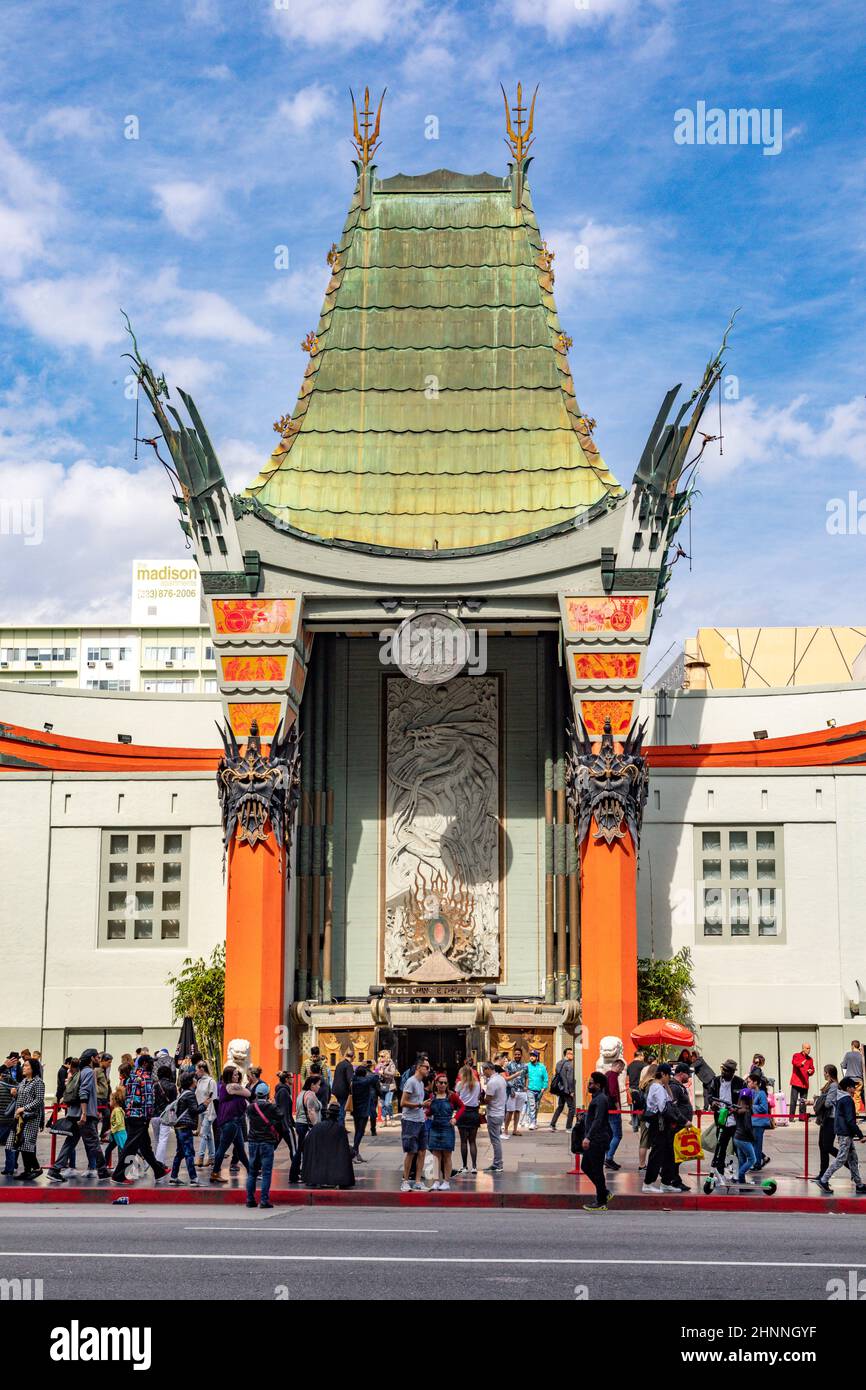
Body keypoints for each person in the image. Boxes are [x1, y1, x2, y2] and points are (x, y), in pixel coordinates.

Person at [47, 1047, 110, 1183]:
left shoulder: (79, 1072)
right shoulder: (89, 1072)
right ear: (92, 1058)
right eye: (97, 1057)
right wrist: (85, 1113)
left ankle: (55, 1170)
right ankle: (103, 1171)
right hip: (84, 1115)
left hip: (74, 1113)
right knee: (94, 1143)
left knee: (70, 1142)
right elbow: (83, 1093)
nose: (99, 1059)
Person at [111, 1055, 169, 1185]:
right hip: (140, 1116)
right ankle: (118, 1176)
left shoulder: (132, 1077)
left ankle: (159, 1171)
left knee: (145, 1147)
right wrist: (148, 1117)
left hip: (132, 1115)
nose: (153, 1065)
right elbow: (148, 1101)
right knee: (130, 1147)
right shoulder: (146, 1078)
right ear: (144, 1063)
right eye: (150, 1063)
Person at [814, 1077, 866, 1194]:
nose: (855, 1090)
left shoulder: (840, 1098)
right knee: (841, 1159)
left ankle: (859, 1184)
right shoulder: (847, 1100)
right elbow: (850, 1120)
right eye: (853, 1087)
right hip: (845, 1133)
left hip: (845, 1133)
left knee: (853, 1159)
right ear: (848, 1088)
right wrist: (860, 1135)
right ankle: (824, 1180)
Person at [425, 1072, 465, 1191]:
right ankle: (436, 1181)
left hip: (447, 1127)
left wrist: (455, 1118)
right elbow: (430, 1112)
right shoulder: (432, 1096)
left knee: (447, 1155)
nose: (442, 1084)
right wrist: (425, 1112)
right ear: (436, 1083)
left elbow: (462, 1107)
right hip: (435, 1126)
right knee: (436, 1156)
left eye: (445, 1083)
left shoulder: (452, 1096)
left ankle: (446, 1181)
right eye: (440, 1082)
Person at [245, 1081, 283, 1208]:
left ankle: (250, 1199)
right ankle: (264, 1200)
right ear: (267, 1094)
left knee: (252, 1172)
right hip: (267, 1142)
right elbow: (280, 1116)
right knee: (266, 1172)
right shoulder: (271, 1107)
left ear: (256, 1094)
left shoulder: (251, 1107)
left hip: (253, 1141)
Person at [209, 1066, 250, 1183]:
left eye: (237, 1074)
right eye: (234, 1075)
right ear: (228, 1076)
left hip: (234, 1122)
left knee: (240, 1149)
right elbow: (248, 1093)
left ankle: (251, 1171)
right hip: (229, 1122)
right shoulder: (228, 1086)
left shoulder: (232, 1088)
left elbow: (247, 1093)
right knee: (222, 1149)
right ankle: (215, 1172)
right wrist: (242, 1090)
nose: (237, 1077)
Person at [5, 1058, 44, 1180]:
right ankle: (28, 1170)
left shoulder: (38, 1082)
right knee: (16, 1143)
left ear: (33, 1068)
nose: (24, 1067)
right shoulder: (23, 1082)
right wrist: (15, 1094)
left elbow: (39, 1100)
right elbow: (20, 1098)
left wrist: (24, 1108)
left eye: (26, 1065)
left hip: (30, 1119)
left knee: (26, 1144)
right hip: (20, 1119)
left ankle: (36, 1169)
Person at [302, 1100, 355, 1189]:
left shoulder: (317, 1127)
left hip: (318, 1166)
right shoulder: (340, 1129)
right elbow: (344, 1150)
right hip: (333, 1164)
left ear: (327, 1114)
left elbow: (306, 1145)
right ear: (337, 1116)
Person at [705, 1058, 745, 1175]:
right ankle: (719, 1172)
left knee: (739, 1149)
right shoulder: (716, 1081)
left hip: (736, 1121)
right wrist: (712, 1103)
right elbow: (710, 1095)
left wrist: (737, 1108)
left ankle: (740, 1174)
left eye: (727, 1071)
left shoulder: (740, 1082)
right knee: (720, 1148)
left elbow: (745, 1101)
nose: (724, 1072)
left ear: (733, 1072)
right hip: (721, 1120)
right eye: (723, 1069)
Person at [642, 1063, 677, 1193]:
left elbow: (671, 1099)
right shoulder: (656, 1087)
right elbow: (664, 1107)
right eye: (668, 1076)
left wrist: (666, 1085)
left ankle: (666, 1182)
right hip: (658, 1124)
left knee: (668, 1153)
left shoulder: (661, 1087)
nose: (669, 1078)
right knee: (657, 1154)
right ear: (663, 1074)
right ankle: (648, 1183)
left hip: (663, 1125)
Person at [581, 1070, 613, 1211]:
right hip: (594, 1138)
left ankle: (601, 1201)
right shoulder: (597, 1098)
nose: (589, 1085)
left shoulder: (601, 1099)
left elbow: (598, 1120)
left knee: (597, 1170)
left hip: (597, 1140)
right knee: (586, 1166)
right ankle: (604, 1193)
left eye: (591, 1083)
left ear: (598, 1085)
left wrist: (588, 1137)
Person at [399, 1058, 430, 1191]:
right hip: (410, 1121)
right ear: (418, 1067)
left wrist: (424, 1107)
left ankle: (418, 1181)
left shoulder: (421, 1083)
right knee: (411, 1151)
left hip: (420, 1119)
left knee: (422, 1151)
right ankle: (405, 1181)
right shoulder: (411, 1082)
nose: (428, 1070)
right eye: (426, 1067)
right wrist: (420, 1105)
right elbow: (403, 1103)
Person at [169, 1073, 204, 1187]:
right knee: (189, 1152)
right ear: (190, 1082)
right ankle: (193, 1178)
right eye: (194, 1079)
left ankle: (173, 1177)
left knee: (180, 1153)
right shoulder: (190, 1095)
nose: (195, 1080)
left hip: (179, 1127)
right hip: (185, 1128)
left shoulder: (182, 1094)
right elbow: (195, 1110)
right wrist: (205, 1105)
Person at [289, 1074, 323, 1184]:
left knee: (301, 1150)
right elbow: (311, 1111)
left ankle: (297, 1174)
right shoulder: (311, 1095)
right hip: (306, 1125)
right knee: (303, 1151)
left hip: (300, 1124)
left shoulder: (301, 1093)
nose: (319, 1087)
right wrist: (316, 1126)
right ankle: (297, 1175)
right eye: (318, 1085)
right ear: (312, 1085)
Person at [669, 1062, 694, 1192]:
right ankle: (673, 1179)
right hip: (677, 1126)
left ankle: (673, 1178)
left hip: (681, 1126)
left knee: (678, 1154)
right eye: (687, 1074)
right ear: (681, 1073)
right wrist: (683, 1121)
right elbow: (673, 1108)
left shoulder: (679, 1087)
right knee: (675, 1155)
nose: (689, 1077)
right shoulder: (675, 1087)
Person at [454, 1064, 482, 1175]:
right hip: (474, 1113)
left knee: (463, 1141)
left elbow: (457, 1098)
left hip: (462, 1112)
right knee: (472, 1141)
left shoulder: (460, 1084)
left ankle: (465, 1166)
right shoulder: (478, 1084)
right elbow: (479, 1096)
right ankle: (474, 1166)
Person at [815, 1064, 841, 1176]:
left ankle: (847, 1160)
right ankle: (823, 1173)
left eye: (825, 1072)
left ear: (828, 1073)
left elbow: (827, 1103)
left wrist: (819, 1100)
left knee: (827, 1146)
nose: (824, 1074)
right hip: (825, 1119)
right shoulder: (829, 1085)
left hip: (831, 1119)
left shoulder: (834, 1086)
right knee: (822, 1145)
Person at [481, 1061, 506, 1175]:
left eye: (483, 1070)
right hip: (500, 1112)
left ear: (487, 1069)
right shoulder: (501, 1079)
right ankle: (498, 1163)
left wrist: (480, 1100)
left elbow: (488, 1099)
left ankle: (498, 1164)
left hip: (494, 1113)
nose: (483, 1073)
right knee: (496, 1139)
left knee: (495, 1140)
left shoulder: (492, 1082)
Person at [349, 1061, 378, 1162]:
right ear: (364, 1074)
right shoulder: (364, 1082)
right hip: (363, 1110)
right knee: (360, 1132)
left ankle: (356, 1152)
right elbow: (375, 1077)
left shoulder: (354, 1081)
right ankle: (354, 1152)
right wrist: (374, 1069)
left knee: (358, 1131)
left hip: (356, 1109)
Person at [151, 1064, 178, 1168]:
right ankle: (159, 1163)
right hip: (166, 1115)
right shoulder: (172, 1086)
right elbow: (174, 1103)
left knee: (157, 1140)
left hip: (154, 1116)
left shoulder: (154, 1085)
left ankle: (157, 1162)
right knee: (163, 1139)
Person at [604, 1058, 626, 1170]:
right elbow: (612, 1092)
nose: (622, 1071)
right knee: (617, 1135)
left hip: (606, 1109)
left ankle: (607, 1158)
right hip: (613, 1109)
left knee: (610, 1135)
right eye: (621, 1068)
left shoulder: (607, 1074)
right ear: (617, 1066)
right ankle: (609, 1158)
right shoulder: (612, 1076)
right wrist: (618, 1106)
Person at [194, 1061, 218, 1168]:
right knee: (208, 1135)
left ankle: (201, 1157)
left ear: (202, 1069)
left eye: (196, 1069)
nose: (196, 1072)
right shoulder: (199, 1082)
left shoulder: (211, 1082)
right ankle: (212, 1157)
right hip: (201, 1111)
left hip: (209, 1111)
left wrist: (209, 1113)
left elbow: (213, 1099)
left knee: (204, 1134)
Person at [733, 1087, 758, 1183]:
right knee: (752, 1160)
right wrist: (753, 1138)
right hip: (744, 1139)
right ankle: (740, 1174)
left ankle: (741, 1182)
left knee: (742, 1160)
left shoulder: (737, 1109)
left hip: (737, 1137)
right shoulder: (747, 1111)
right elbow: (748, 1127)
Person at [749, 1070, 772, 1169]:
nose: (748, 1083)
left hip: (759, 1123)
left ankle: (757, 1163)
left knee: (757, 1144)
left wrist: (751, 1107)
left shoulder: (761, 1093)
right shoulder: (752, 1092)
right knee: (752, 1143)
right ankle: (760, 1158)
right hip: (752, 1122)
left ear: (755, 1082)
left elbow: (764, 1108)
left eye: (749, 1081)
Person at [549, 1047, 575, 1132]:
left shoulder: (559, 1063)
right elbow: (570, 1079)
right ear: (567, 1054)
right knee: (571, 1108)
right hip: (567, 1090)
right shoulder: (569, 1064)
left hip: (560, 1089)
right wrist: (571, 1091)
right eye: (571, 1053)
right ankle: (568, 1127)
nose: (572, 1055)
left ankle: (552, 1124)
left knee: (560, 1106)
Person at [503, 1046, 527, 1136]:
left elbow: (526, 1077)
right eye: (516, 1054)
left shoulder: (525, 1065)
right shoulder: (509, 1065)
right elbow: (507, 1078)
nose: (517, 1055)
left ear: (521, 1055)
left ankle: (515, 1130)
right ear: (514, 1055)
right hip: (512, 1091)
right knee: (510, 1111)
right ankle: (505, 1130)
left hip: (522, 1091)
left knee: (517, 1111)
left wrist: (526, 1086)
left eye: (519, 1054)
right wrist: (511, 1088)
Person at [274, 1071, 297, 1162]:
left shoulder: (283, 1089)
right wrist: (287, 1125)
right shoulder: (284, 1091)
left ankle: (258, 1166)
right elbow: (283, 1110)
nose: (293, 1079)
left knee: (272, 1147)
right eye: (292, 1077)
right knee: (294, 1148)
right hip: (284, 1125)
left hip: (281, 1124)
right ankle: (296, 1170)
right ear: (287, 1079)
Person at [789, 1043, 815, 1120]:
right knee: (793, 1100)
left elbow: (812, 1069)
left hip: (804, 1083)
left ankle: (802, 1117)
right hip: (796, 1082)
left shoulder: (810, 1059)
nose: (809, 1050)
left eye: (809, 1048)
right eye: (807, 1048)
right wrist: (801, 1063)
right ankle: (791, 1117)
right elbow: (794, 1063)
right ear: (803, 1048)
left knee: (803, 1101)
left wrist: (811, 1071)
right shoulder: (796, 1055)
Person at [525, 1049, 548, 1131]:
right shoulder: (527, 1066)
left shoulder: (542, 1067)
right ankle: (532, 1122)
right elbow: (523, 1076)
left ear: (537, 1057)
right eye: (531, 1055)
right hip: (530, 1089)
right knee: (532, 1106)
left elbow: (545, 1078)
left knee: (536, 1106)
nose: (531, 1057)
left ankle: (534, 1121)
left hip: (539, 1090)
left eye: (533, 1056)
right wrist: (525, 1086)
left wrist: (543, 1088)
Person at [332, 1044, 355, 1122]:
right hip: (343, 1091)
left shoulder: (339, 1064)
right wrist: (353, 1091)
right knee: (342, 1109)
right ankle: (340, 1127)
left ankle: (341, 1126)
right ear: (352, 1057)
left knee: (341, 1107)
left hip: (336, 1089)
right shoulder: (349, 1066)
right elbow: (350, 1080)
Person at [375, 1049, 398, 1126]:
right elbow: (376, 1073)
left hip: (390, 1086)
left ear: (386, 1056)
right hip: (382, 1086)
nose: (381, 1058)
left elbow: (393, 1073)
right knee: (383, 1104)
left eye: (382, 1056)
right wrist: (377, 1072)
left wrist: (384, 1072)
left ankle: (391, 1118)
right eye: (380, 1056)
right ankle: (384, 1120)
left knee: (388, 1103)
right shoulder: (379, 1064)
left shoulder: (391, 1064)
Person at [841, 1041, 864, 1115]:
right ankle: (856, 1115)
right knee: (857, 1098)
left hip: (849, 1080)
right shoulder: (862, 1056)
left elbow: (844, 1065)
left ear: (853, 1046)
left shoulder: (848, 1054)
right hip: (859, 1080)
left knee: (848, 1097)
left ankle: (849, 1114)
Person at [626, 1049, 646, 1133]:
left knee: (633, 1108)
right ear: (640, 1056)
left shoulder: (629, 1066)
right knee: (642, 1108)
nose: (644, 1057)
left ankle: (634, 1126)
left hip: (631, 1089)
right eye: (643, 1056)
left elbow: (627, 1078)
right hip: (640, 1089)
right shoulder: (644, 1065)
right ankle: (642, 1125)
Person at [108, 1086, 127, 1163]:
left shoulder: (117, 1110)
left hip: (119, 1132)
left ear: (114, 1101)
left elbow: (119, 1122)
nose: (109, 1102)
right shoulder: (118, 1110)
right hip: (118, 1132)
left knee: (123, 1149)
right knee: (122, 1149)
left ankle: (137, 1164)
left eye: (110, 1100)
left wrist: (112, 1129)